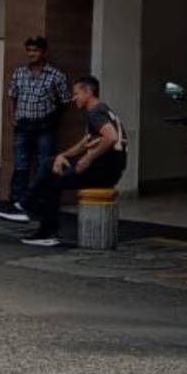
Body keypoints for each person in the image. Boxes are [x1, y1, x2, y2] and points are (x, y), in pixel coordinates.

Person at [17, 75, 127, 246]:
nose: (73, 98)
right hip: (108, 169)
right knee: (50, 168)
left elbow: (111, 137)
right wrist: (63, 156)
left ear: (88, 92)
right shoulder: (103, 110)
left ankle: (35, 216)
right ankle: (30, 208)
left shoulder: (95, 113)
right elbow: (83, 144)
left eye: (76, 94)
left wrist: (88, 158)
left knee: (51, 180)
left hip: (103, 171)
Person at [0, 36, 71, 223]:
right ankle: (17, 202)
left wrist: (53, 119)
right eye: (29, 50)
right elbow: (12, 96)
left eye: (35, 50)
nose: (32, 54)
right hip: (23, 125)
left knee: (44, 165)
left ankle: (41, 203)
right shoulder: (20, 72)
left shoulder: (56, 75)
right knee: (21, 165)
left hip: (44, 125)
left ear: (44, 52)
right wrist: (13, 117)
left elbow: (65, 100)